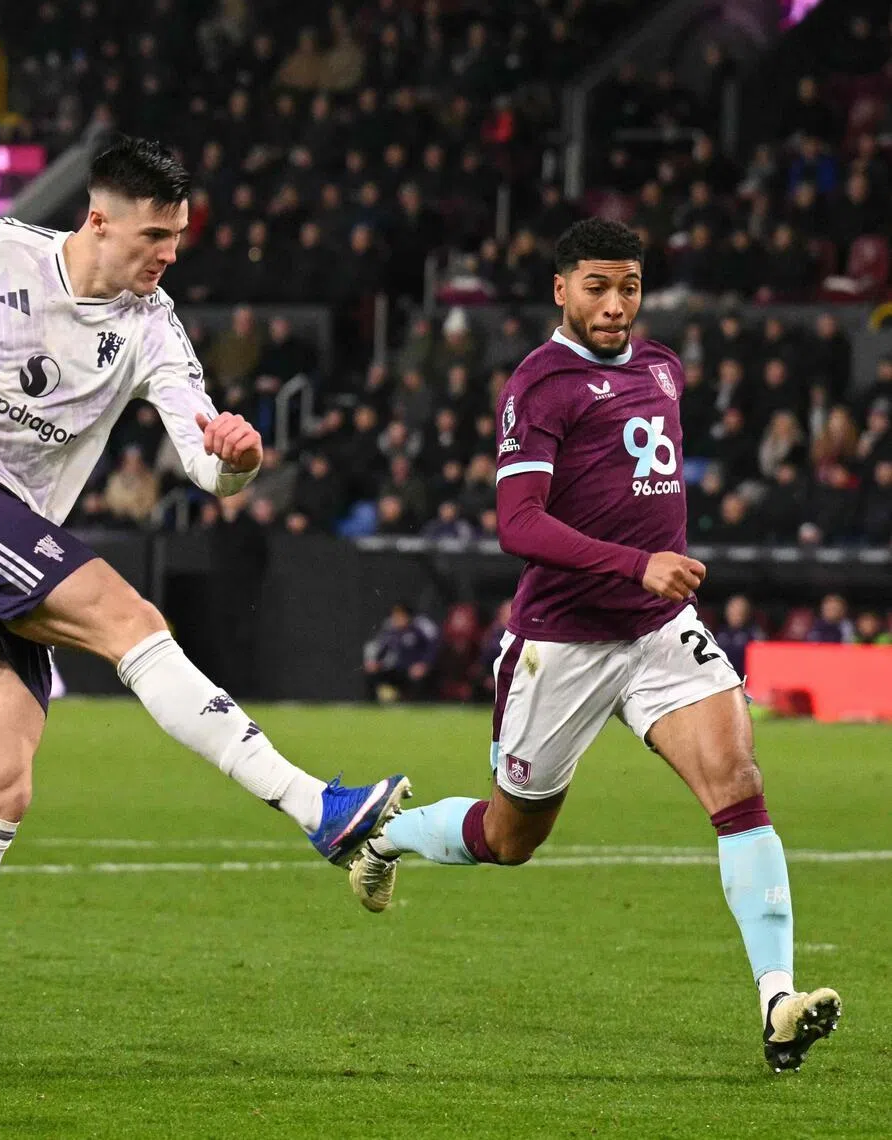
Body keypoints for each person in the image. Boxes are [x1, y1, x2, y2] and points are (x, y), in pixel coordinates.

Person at [0, 137, 410, 1100]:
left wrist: (236, 457)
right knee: (128, 614)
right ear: (100, 220)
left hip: (10, 550)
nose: (168, 254)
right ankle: (316, 809)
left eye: (180, 236)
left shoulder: (155, 330)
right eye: (155, 235)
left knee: (0, 789)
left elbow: (204, 460)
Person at [347, 219, 840, 1074]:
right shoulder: (538, 387)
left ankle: (777, 999)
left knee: (739, 786)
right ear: (561, 289)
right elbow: (517, 524)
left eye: (630, 287)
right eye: (597, 287)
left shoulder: (662, 368)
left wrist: (651, 574)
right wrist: (634, 563)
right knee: (509, 839)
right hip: (562, 644)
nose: (615, 305)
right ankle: (386, 839)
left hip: (657, 633)